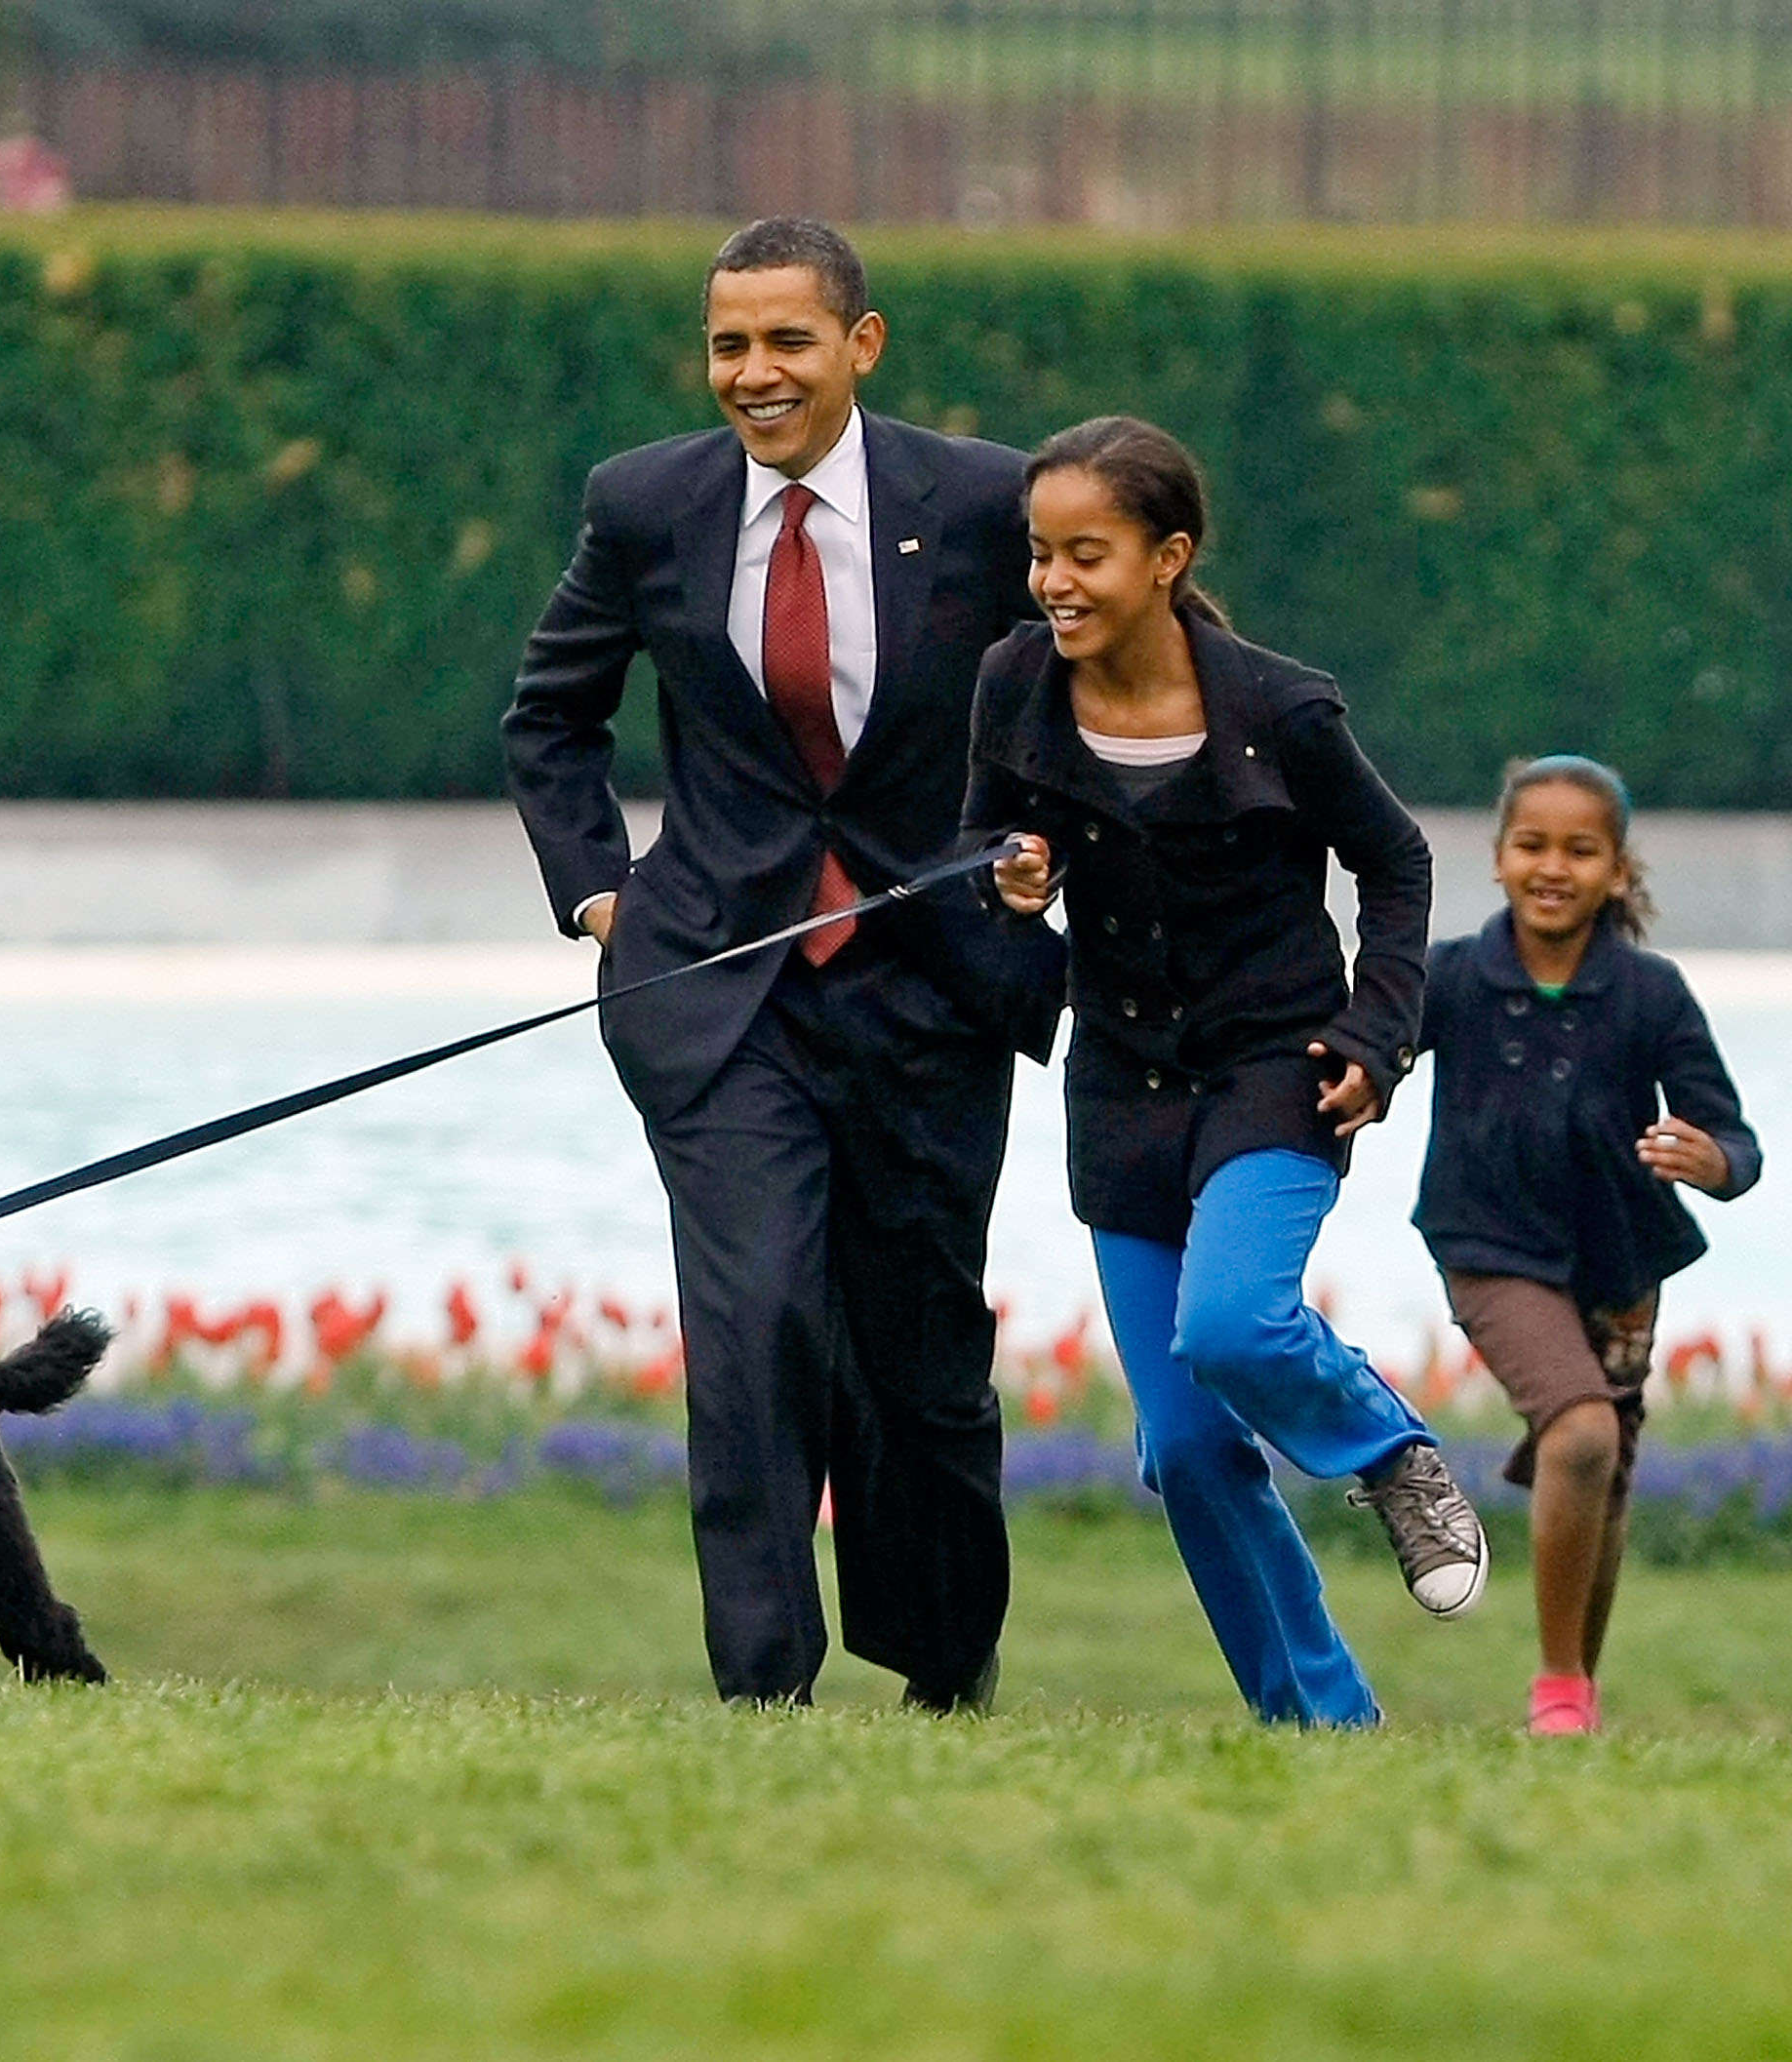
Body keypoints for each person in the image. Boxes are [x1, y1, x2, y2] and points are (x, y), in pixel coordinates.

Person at [500, 218, 1065, 1710]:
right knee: (754, 1330)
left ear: (860, 347)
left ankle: (945, 1664)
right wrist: (601, 898)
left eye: (788, 342)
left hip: (932, 986)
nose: (755, 374)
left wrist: (1048, 846)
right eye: (729, 345)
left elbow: (1101, 676)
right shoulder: (645, 504)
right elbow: (547, 719)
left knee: (919, 1352)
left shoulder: (987, 498)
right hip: (720, 989)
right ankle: (762, 1686)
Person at [964, 415, 1486, 1728]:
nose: (1057, 582)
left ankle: (1388, 1448)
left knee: (1234, 1324)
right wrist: (1011, 880)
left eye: (1089, 552)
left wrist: (1381, 1032)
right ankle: (1324, 1722)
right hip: (1123, 1082)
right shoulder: (1015, 683)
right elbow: (986, 844)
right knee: (1191, 1446)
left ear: (1168, 555)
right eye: (1041, 554)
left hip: (1275, 1065)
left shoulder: (1281, 707)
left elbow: (1399, 863)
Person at [1414, 755, 1761, 1737]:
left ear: (1617, 868)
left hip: (1619, 1264)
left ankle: (1575, 1697)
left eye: (1580, 848)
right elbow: (1372, 1045)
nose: (1552, 866)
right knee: (1582, 1433)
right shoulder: (1456, 976)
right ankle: (1559, 1685)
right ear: (1497, 860)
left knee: (1598, 1470)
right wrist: (1354, 1088)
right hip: (1487, 1243)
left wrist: (1712, 1158)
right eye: (1532, 844)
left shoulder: (1651, 993)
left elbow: (1734, 1136)